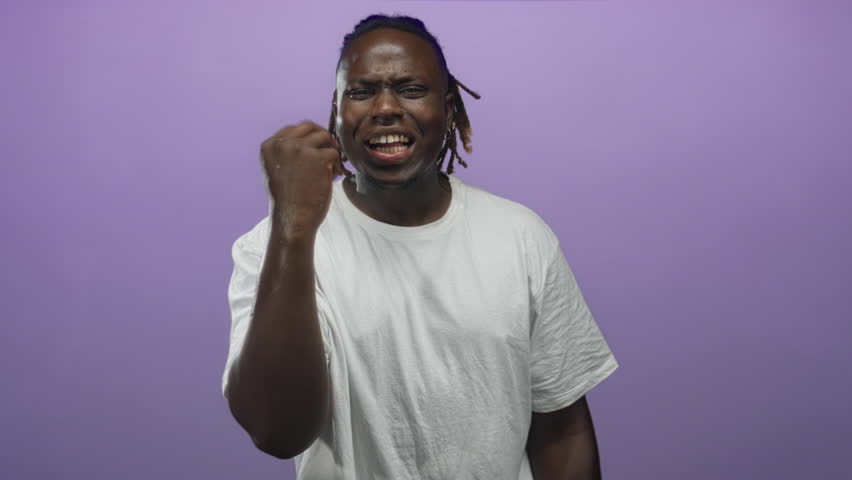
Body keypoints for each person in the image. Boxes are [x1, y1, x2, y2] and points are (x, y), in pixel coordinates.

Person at [222, 13, 619, 480]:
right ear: (336, 112)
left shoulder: (521, 237)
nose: (385, 107)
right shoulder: (272, 248)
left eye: (411, 89)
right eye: (362, 91)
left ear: (449, 108)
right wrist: (292, 227)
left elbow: (562, 432)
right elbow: (278, 432)